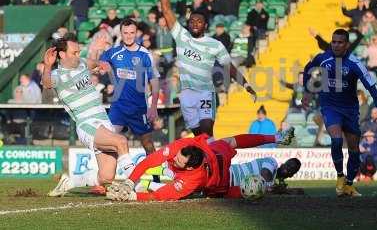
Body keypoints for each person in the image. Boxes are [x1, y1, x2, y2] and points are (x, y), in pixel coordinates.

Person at [158, 0, 257, 136]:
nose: (195, 23)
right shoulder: (181, 36)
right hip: (186, 94)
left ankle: (213, 161)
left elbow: (229, 67)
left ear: (205, 25)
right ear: (188, 24)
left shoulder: (215, 44)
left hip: (205, 92)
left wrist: (246, 84)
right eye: (192, 21)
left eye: (199, 21)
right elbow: (166, 9)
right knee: (199, 136)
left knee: (206, 129)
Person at [42, 33, 135, 197]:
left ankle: (70, 182)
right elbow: (47, 83)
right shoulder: (57, 75)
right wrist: (47, 66)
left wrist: (99, 57)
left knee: (106, 177)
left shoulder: (82, 64)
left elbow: (93, 63)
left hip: (104, 122)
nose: (78, 56)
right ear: (62, 55)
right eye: (74, 53)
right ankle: (137, 184)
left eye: (79, 52)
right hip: (87, 124)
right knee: (121, 141)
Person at [303, 28, 377, 197]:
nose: (335, 45)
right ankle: (340, 176)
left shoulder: (355, 64)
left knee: (354, 150)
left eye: (340, 42)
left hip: (350, 110)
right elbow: (308, 67)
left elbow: (372, 89)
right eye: (333, 42)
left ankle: (349, 184)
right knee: (336, 140)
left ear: (347, 45)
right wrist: (306, 91)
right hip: (330, 106)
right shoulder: (323, 58)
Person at [106, 130, 295, 201]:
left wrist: (133, 196)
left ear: (189, 168)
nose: (175, 158)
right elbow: (240, 140)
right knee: (268, 161)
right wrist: (274, 138)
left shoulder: (193, 178)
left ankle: (268, 185)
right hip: (232, 173)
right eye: (177, 156)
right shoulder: (185, 146)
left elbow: (162, 195)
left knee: (258, 182)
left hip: (228, 185)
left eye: (179, 161)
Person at [99, 18, 160, 179]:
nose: (129, 36)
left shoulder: (145, 54)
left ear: (136, 33)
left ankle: (156, 179)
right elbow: (102, 61)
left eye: (132, 33)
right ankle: (105, 178)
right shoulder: (114, 52)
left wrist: (153, 107)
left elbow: (154, 81)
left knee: (148, 144)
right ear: (121, 33)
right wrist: (103, 66)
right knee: (109, 142)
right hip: (118, 107)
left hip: (139, 108)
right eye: (125, 33)